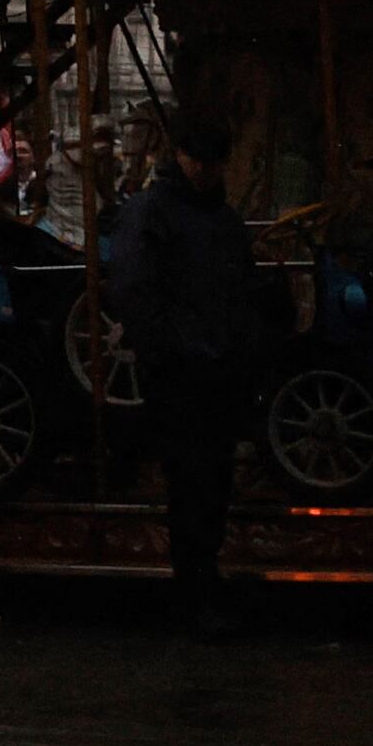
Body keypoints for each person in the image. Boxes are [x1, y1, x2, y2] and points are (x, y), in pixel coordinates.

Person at [102, 110, 263, 635]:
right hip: (183, 369)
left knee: (210, 482)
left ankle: (201, 583)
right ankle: (195, 590)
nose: (205, 171)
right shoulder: (161, 213)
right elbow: (135, 290)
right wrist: (168, 349)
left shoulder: (208, 218)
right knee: (194, 482)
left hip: (211, 365)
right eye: (199, 161)